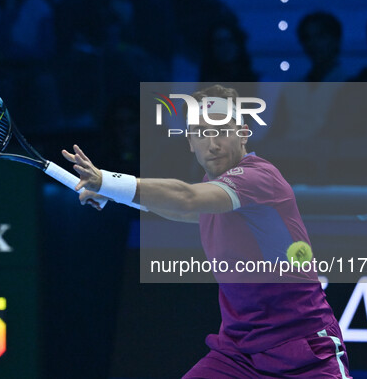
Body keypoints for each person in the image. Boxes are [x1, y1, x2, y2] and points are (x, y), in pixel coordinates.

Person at [62, 84, 351, 378]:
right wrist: (116, 193)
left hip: (302, 352)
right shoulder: (217, 190)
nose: (212, 144)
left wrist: (107, 181)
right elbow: (184, 210)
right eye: (201, 131)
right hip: (239, 352)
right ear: (189, 141)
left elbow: (187, 198)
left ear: (243, 132)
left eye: (221, 130)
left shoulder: (259, 178)